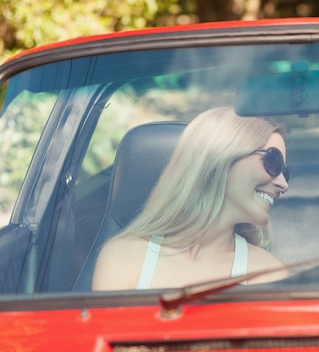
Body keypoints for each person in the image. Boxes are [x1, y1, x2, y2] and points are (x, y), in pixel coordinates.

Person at [92, 107, 291, 290]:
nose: (283, 184)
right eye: (273, 161)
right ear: (220, 156)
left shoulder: (269, 273)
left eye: (285, 171)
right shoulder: (122, 258)